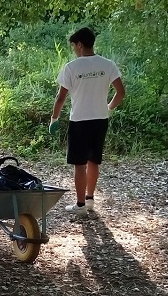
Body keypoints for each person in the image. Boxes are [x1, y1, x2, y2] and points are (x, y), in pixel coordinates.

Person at [49, 27, 126, 216]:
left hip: (80, 121)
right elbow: (121, 92)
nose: (73, 49)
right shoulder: (107, 64)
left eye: (73, 45)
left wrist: (54, 118)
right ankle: (90, 199)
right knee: (93, 161)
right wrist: (108, 107)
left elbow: (60, 98)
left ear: (80, 44)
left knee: (79, 163)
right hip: (100, 120)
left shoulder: (71, 67)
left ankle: (80, 205)